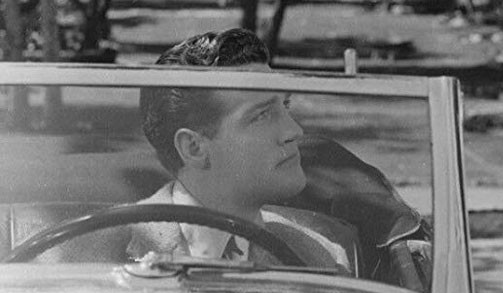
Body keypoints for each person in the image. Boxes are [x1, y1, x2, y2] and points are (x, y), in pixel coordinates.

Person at [128, 27, 352, 272]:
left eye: (285, 105)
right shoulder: (95, 249)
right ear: (194, 148)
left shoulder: (320, 257)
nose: (294, 131)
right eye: (262, 116)